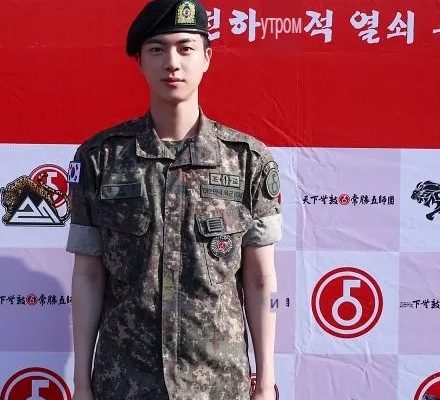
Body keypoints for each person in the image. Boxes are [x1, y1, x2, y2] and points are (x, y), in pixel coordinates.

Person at [66, 0, 282, 398]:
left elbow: (259, 278)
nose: (172, 63)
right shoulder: (101, 158)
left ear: (207, 58)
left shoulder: (247, 160)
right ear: (140, 62)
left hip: (218, 383)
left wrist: (265, 381)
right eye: (157, 49)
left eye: (185, 48)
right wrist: (81, 380)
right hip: (125, 382)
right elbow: (88, 275)